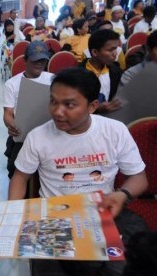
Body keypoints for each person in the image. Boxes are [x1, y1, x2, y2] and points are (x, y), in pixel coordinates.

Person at [9, 67, 148, 275]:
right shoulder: (38, 137)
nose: (57, 111)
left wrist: (122, 194)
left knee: (126, 265)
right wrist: (14, 217)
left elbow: (139, 178)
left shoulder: (115, 131)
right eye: (53, 101)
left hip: (101, 212)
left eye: (69, 104)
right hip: (54, 218)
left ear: (92, 106)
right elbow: (20, 178)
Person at [3, 41, 54, 179]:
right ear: (25, 60)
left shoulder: (53, 79)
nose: (39, 64)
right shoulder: (12, 84)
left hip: (50, 132)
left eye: (43, 60)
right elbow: (7, 114)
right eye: (35, 60)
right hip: (23, 134)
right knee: (15, 168)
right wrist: (11, 124)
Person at [80, 29, 123, 113]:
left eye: (116, 49)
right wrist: (97, 108)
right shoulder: (78, 75)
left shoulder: (116, 71)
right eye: (111, 50)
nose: (115, 54)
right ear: (95, 52)